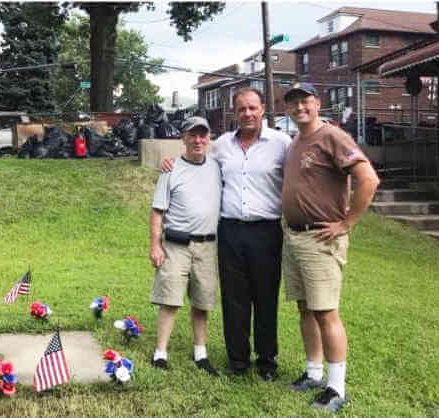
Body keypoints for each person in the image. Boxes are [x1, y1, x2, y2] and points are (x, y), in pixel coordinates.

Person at [161, 88, 291, 380]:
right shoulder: (221, 145)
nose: (247, 113)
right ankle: (238, 361)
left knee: (266, 298)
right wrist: (168, 162)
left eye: (252, 108)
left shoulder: (282, 143)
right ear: (235, 112)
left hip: (266, 231)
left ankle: (267, 361)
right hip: (230, 230)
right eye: (242, 108)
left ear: (262, 109)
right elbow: (194, 153)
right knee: (234, 298)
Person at [281, 83, 379, 412]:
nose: (299, 108)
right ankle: (313, 372)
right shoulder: (296, 141)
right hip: (295, 236)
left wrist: (347, 222)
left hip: (321, 239)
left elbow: (369, 178)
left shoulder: (332, 136)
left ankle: (336, 388)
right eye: (293, 103)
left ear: (317, 103)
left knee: (326, 312)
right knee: (305, 309)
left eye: (305, 101)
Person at [149, 116, 221, 376]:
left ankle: (200, 353)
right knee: (170, 300)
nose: (198, 140)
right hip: (176, 245)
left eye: (203, 135)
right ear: (183, 138)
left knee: (202, 302)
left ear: (209, 138)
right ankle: (160, 353)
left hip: (207, 247)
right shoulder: (170, 170)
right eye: (193, 135)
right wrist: (155, 246)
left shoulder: (216, 167)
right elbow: (157, 211)